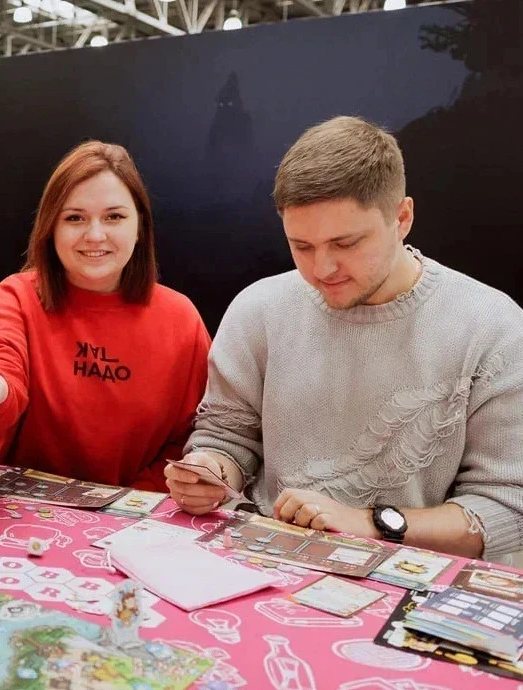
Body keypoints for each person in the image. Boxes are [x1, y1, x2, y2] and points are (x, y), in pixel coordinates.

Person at [166, 116, 523, 563]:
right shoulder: (258, 309)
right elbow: (228, 436)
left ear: (402, 218)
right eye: (302, 246)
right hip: (261, 564)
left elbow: (508, 510)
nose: (322, 269)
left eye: (347, 243)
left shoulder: (493, 326)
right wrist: (212, 470)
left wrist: (369, 523)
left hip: (410, 581)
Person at [0, 142, 211, 490]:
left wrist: (125, 503)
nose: (95, 235)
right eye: (75, 218)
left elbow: (189, 437)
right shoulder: (17, 296)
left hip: (130, 513)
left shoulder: (180, 319)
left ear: (139, 226)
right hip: (10, 504)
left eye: (114, 217)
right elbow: (1, 369)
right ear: (51, 227)